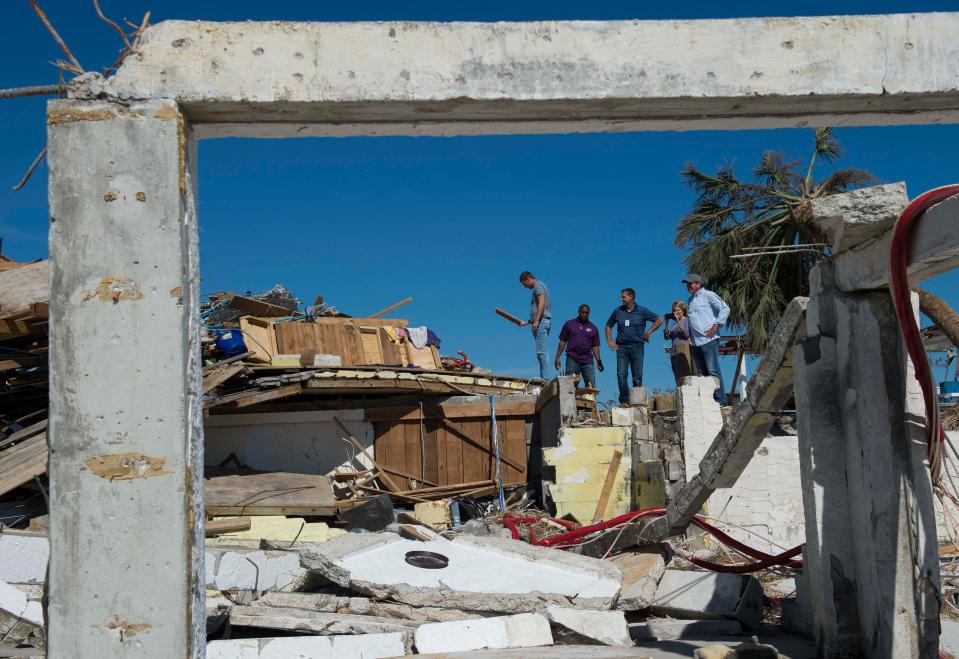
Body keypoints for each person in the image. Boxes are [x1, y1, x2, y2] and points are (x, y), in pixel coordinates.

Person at [605, 288, 663, 405]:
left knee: (637, 375)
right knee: (621, 375)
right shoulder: (618, 311)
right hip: (621, 347)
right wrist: (610, 341)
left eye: (623, 297)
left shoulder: (642, 310)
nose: (621, 299)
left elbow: (659, 320)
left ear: (631, 297)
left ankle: (637, 401)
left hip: (637, 347)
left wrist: (649, 332)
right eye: (621, 297)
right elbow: (608, 326)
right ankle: (624, 401)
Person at [684, 274, 731, 405]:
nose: (689, 286)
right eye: (687, 284)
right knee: (702, 373)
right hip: (696, 341)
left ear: (698, 283)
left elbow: (725, 308)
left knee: (712, 370)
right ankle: (709, 400)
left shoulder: (708, 295)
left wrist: (715, 325)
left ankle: (721, 399)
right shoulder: (690, 300)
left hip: (709, 339)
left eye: (691, 283)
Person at [554, 304, 604, 388]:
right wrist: (557, 357)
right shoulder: (569, 324)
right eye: (583, 312)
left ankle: (591, 401)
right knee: (569, 386)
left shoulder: (593, 328)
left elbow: (595, 346)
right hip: (572, 359)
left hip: (587, 361)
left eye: (587, 313)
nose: (584, 314)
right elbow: (563, 341)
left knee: (591, 386)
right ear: (578, 312)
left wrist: (599, 361)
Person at [518, 271, 552, 380]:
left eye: (524, 284)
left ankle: (545, 379)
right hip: (540, 321)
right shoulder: (539, 286)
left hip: (541, 322)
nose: (525, 287)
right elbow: (538, 308)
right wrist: (528, 322)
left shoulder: (538, 286)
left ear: (528, 279)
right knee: (541, 352)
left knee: (542, 352)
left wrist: (536, 321)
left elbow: (541, 302)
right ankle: (544, 378)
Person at [664, 300, 697, 386]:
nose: (676, 312)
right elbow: (667, 337)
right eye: (674, 311)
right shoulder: (674, 325)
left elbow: (686, 334)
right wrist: (666, 325)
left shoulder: (686, 320)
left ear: (683, 310)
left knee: (686, 374)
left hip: (684, 348)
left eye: (678, 310)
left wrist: (678, 321)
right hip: (674, 350)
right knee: (677, 375)